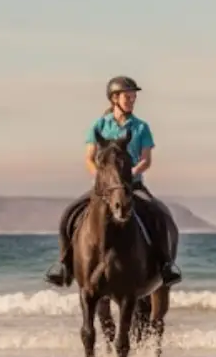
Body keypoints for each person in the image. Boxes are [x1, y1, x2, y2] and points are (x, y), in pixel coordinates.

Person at [44, 76, 182, 287]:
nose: (131, 100)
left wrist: (130, 174)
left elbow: (146, 160)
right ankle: (64, 265)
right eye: (128, 96)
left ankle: (165, 265)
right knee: (68, 214)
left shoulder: (141, 127)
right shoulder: (98, 126)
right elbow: (89, 158)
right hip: (103, 189)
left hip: (133, 185)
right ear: (114, 98)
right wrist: (101, 177)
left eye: (133, 97)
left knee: (158, 214)